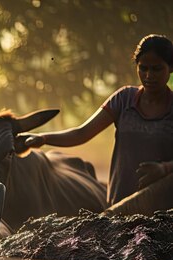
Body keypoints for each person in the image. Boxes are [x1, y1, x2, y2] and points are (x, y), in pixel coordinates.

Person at [24, 34, 173, 206]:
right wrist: (43, 138)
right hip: (120, 205)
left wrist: (164, 169)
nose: (148, 75)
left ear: (170, 67)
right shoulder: (124, 99)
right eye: (143, 68)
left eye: (156, 69)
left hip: (164, 211)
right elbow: (82, 133)